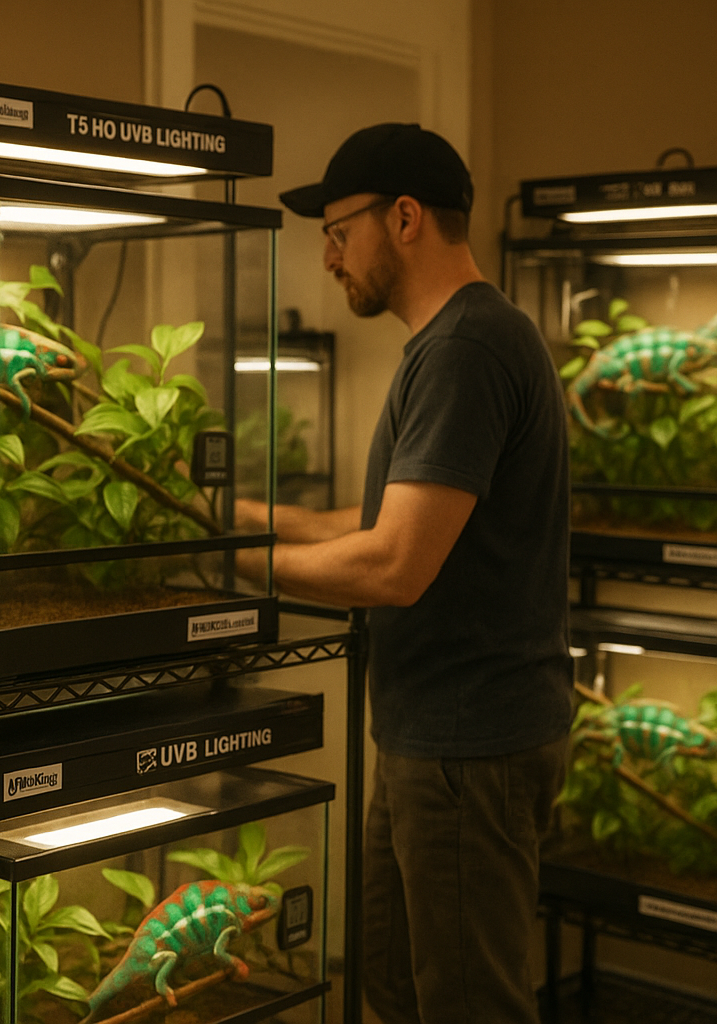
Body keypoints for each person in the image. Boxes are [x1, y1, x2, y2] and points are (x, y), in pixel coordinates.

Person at [237, 123, 573, 1024]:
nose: (329, 258)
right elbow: (389, 519)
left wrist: (238, 570)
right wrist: (237, 520)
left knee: (470, 1005)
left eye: (340, 231)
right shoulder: (452, 342)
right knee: (391, 982)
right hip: (437, 738)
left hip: (473, 748)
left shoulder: (469, 348)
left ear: (407, 218)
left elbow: (393, 564)